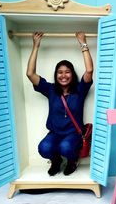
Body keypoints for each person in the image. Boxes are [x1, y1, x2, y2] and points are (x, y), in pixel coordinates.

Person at [26, 31, 93, 176]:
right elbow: (30, 74)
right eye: (60, 72)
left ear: (72, 74)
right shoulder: (50, 90)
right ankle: (56, 161)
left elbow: (89, 70)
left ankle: (72, 161)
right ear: (56, 75)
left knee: (66, 147)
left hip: (73, 134)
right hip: (55, 133)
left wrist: (83, 44)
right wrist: (36, 46)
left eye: (67, 72)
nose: (63, 75)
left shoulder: (80, 90)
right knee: (44, 148)